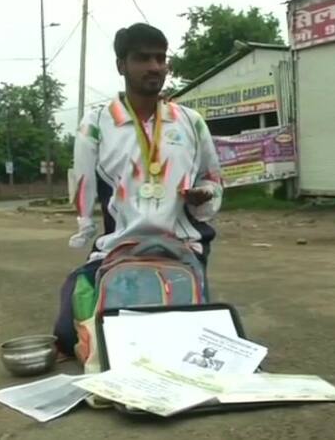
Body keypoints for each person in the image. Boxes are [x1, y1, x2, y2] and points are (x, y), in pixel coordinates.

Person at [54, 23, 223, 355]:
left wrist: (205, 196)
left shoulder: (190, 121)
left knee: (186, 343)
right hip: (120, 246)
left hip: (184, 247)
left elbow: (213, 180)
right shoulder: (96, 124)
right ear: (122, 65)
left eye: (161, 58)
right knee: (66, 333)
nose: (155, 67)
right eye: (143, 58)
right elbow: (84, 184)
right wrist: (85, 225)